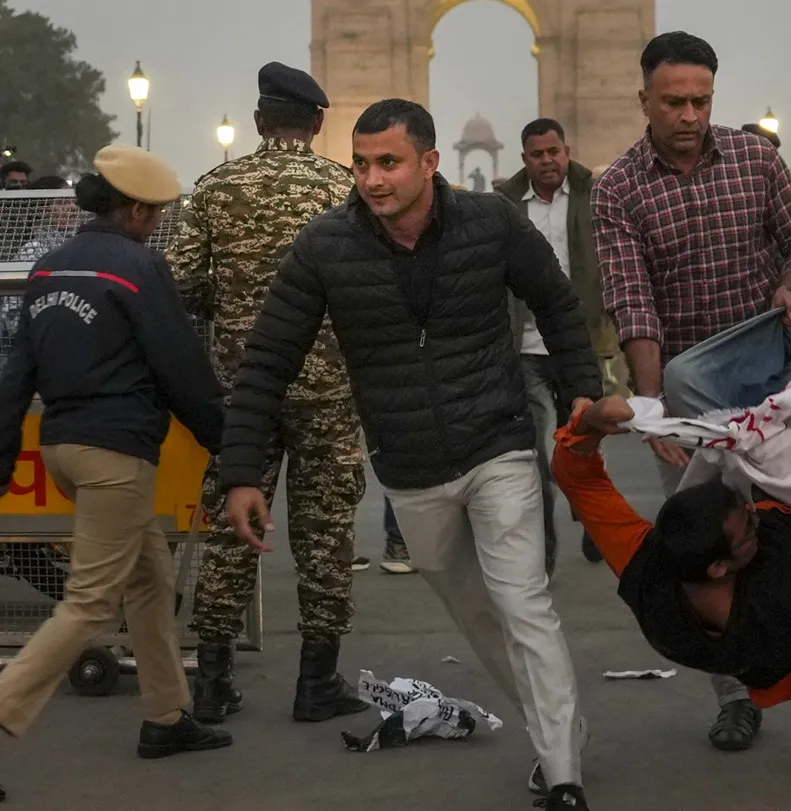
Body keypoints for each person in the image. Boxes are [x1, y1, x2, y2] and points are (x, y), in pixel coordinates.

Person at [218, 99, 599, 811]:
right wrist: (241, 469)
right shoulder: (324, 245)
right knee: (479, 617)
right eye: (361, 163)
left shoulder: (493, 224)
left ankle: (563, 770)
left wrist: (582, 392)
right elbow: (267, 357)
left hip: (498, 443)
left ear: (430, 161)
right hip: (411, 468)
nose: (370, 178)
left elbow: (556, 301)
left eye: (388, 162)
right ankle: (562, 728)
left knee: (524, 603)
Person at [591, 29, 791, 756]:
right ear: (642, 99)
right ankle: (735, 697)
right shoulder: (618, 187)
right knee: (706, 547)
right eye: (673, 101)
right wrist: (654, 410)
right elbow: (632, 299)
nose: (689, 114)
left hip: (767, 386)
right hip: (684, 394)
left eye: (701, 100)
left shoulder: (755, 159)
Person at [0, 146, 232, 785]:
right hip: (116, 451)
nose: (158, 221)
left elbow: (16, 376)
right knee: (90, 602)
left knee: (149, 580)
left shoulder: (47, 270)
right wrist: (233, 451)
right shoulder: (139, 268)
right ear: (134, 210)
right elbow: (182, 371)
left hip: (61, 446)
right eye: (155, 212)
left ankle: (166, 715)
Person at [167, 61, 368, 726]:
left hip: (241, 391)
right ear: (317, 123)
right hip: (326, 388)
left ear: (257, 122)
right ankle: (317, 680)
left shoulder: (216, 188)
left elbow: (184, 286)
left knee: (231, 527)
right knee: (325, 531)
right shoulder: (345, 190)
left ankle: (213, 682)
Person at [550, 394, 791, 718]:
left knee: (688, 380)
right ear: (718, 567)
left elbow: (581, 483)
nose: (755, 515)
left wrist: (587, 426)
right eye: (749, 528)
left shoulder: (649, 563)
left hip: (736, 634)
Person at [496, 117, 624, 575]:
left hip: (582, 341)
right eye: (537, 155)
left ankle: (591, 518)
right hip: (526, 344)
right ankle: (543, 552)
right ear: (524, 158)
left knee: (585, 439)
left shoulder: (598, 194)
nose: (548, 161)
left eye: (555, 152)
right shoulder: (505, 204)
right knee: (540, 453)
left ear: (565, 151)